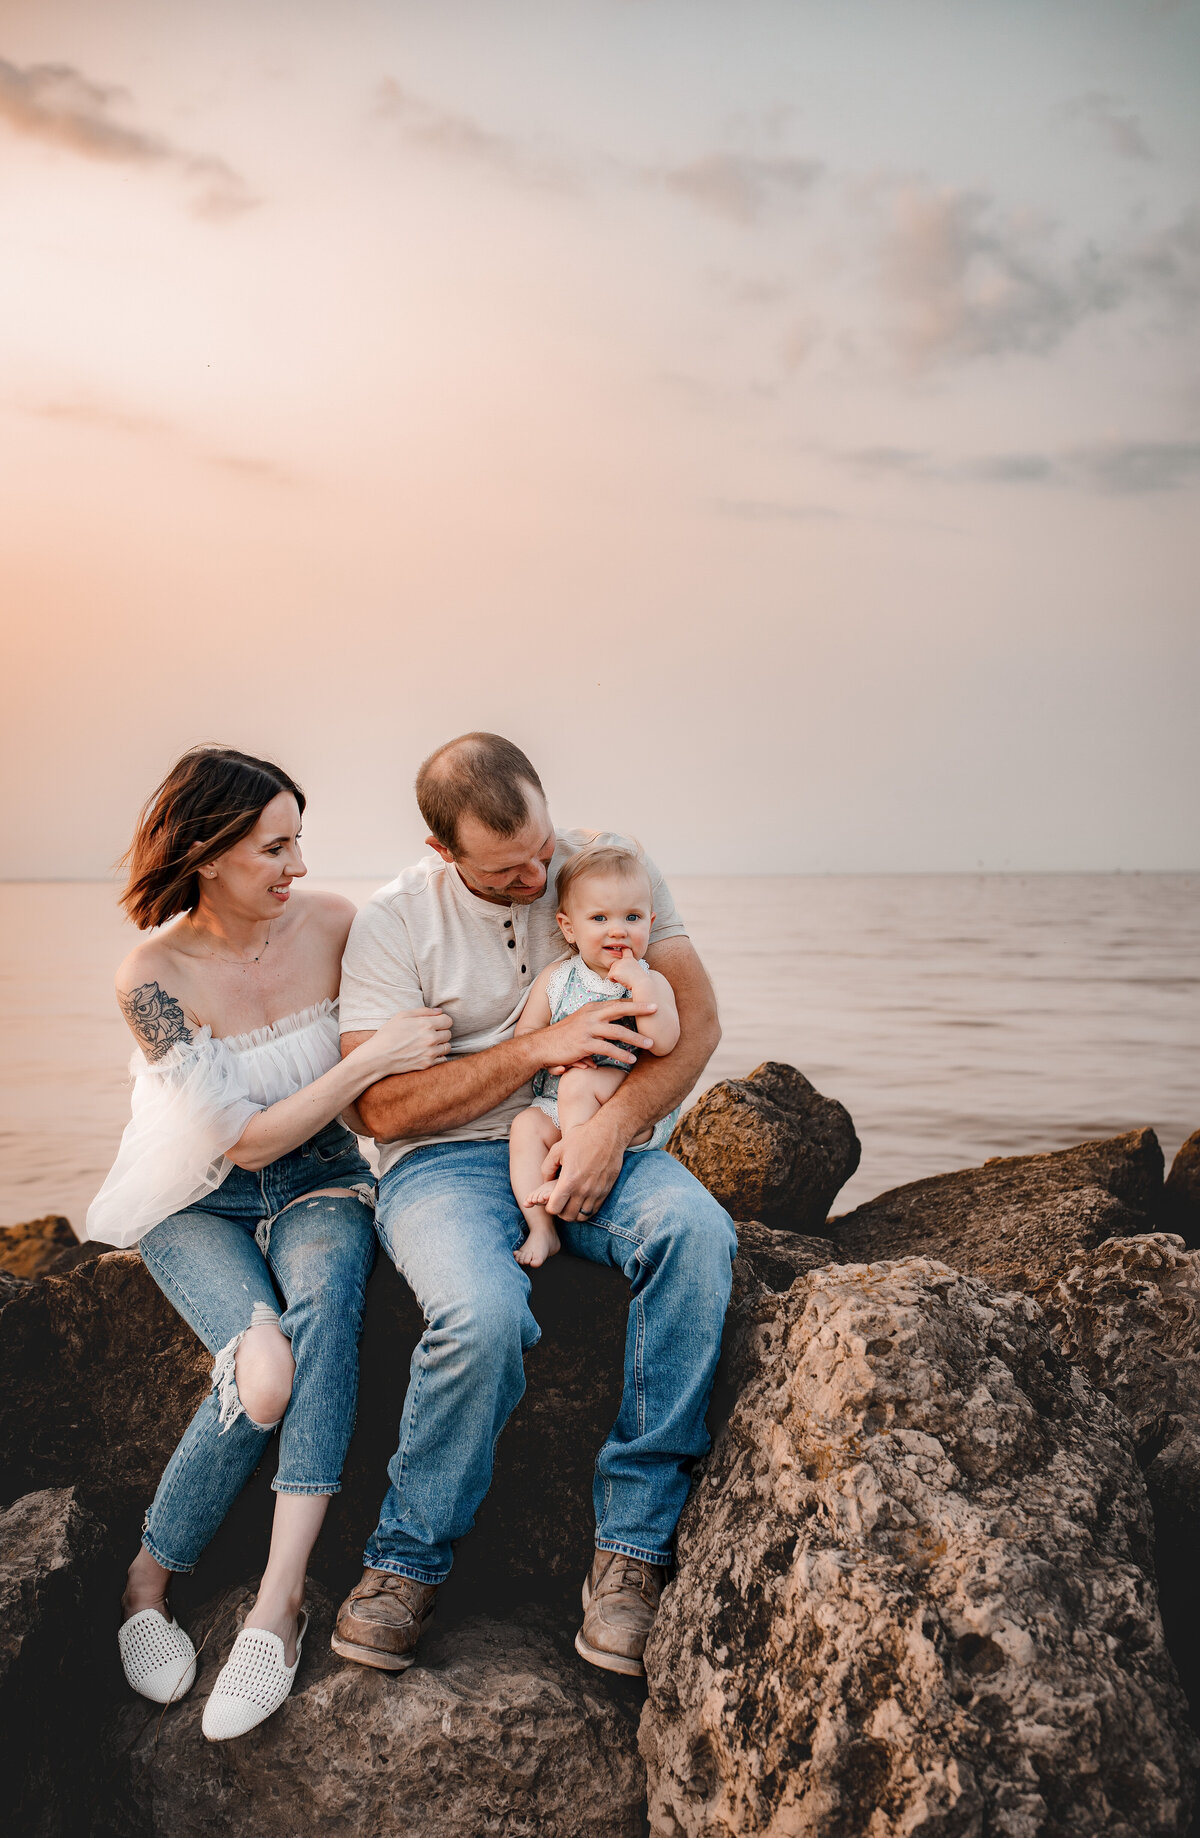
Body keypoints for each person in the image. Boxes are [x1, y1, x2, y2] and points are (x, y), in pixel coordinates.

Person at [331, 732, 735, 1679]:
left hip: (600, 1132)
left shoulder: (607, 868)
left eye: (542, 848)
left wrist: (610, 1129)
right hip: (444, 1166)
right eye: (508, 868)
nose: (537, 875)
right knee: (478, 1315)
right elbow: (375, 1106)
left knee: (696, 1234)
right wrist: (531, 1053)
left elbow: (698, 1022)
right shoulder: (393, 925)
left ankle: (631, 1553)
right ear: (446, 856)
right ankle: (405, 1564)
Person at [85, 746, 450, 1739]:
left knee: (326, 1312)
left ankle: (278, 1606)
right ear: (205, 852)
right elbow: (239, 1137)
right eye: (272, 846)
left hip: (323, 1180)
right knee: (263, 1374)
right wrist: (370, 1060)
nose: (297, 864)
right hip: (194, 1196)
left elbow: (444, 911)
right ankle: (145, 1583)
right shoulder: (150, 976)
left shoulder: (336, 923)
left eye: (299, 840)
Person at [509, 841, 681, 1268]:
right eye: (600, 918)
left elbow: (664, 1042)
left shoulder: (651, 981)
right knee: (525, 1127)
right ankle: (543, 1230)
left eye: (632, 917)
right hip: (556, 1104)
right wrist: (553, 1057)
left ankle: (572, 1168)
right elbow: (527, 1036)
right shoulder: (558, 979)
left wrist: (641, 986)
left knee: (581, 1083)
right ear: (569, 928)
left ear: (651, 922)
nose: (618, 930)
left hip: (623, 1105)